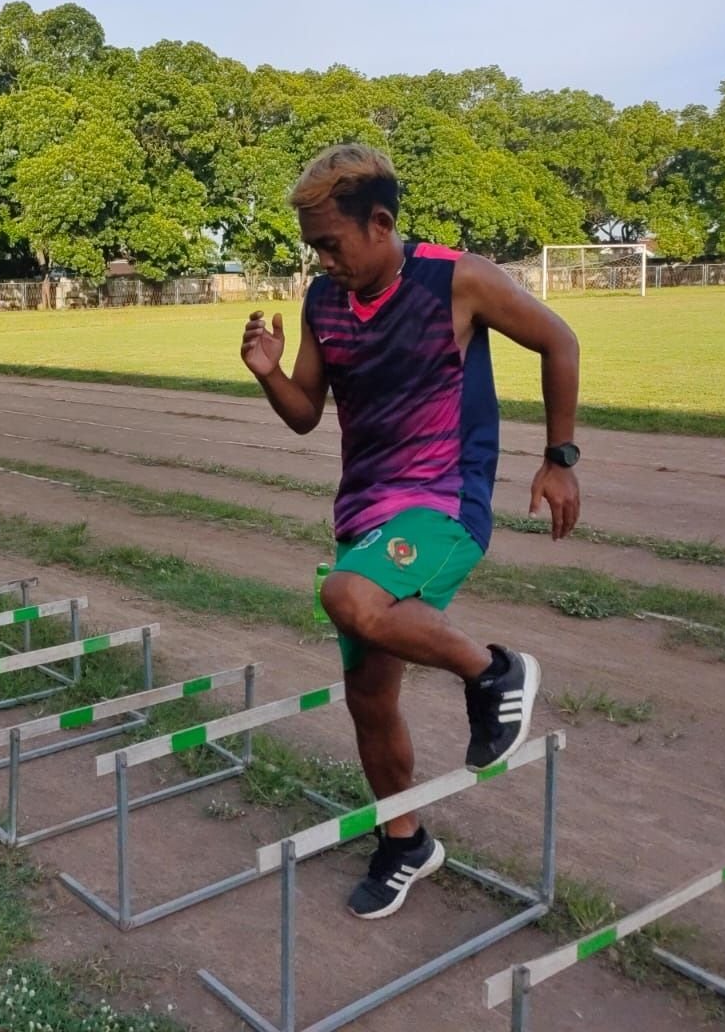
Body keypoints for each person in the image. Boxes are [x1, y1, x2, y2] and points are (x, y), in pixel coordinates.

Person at [241, 144, 580, 921]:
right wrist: (267, 370)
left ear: (382, 222)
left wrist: (559, 459)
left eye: (332, 242)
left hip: (444, 499)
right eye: (313, 247)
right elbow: (305, 415)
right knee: (368, 697)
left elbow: (559, 341)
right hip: (364, 508)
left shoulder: (457, 279)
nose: (323, 259)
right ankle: (406, 841)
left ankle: (496, 672)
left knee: (348, 595)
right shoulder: (323, 302)